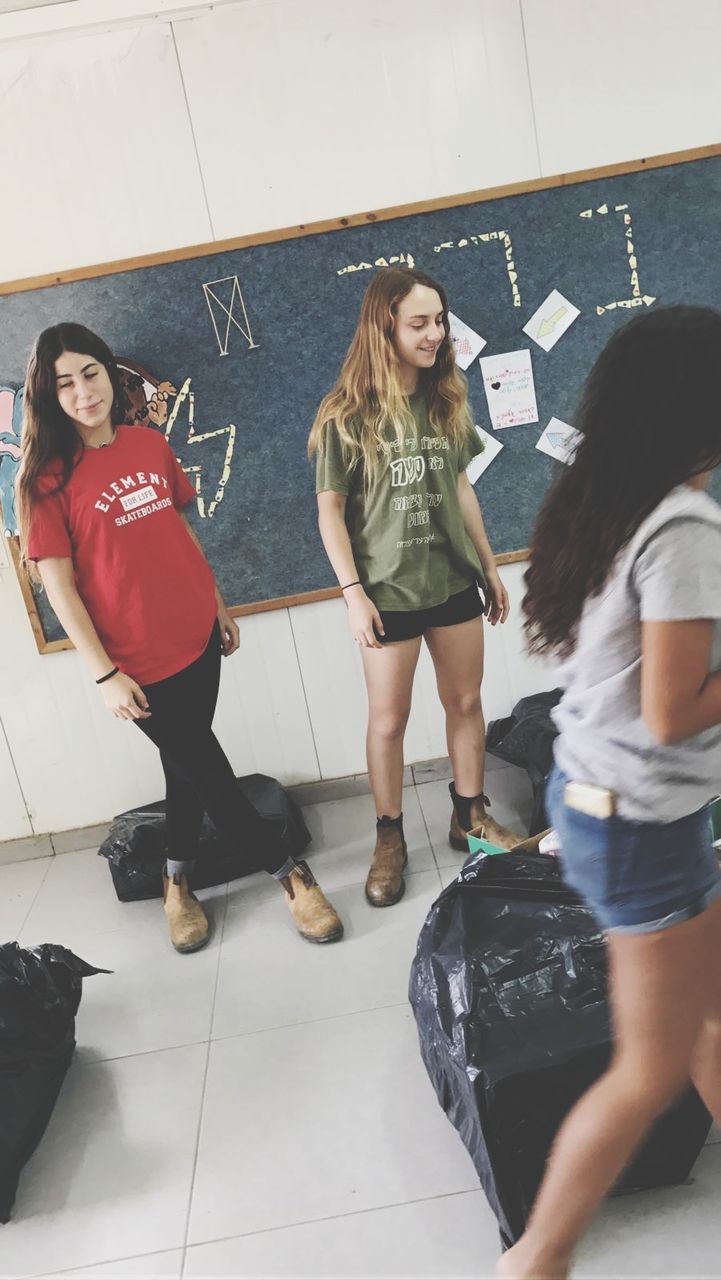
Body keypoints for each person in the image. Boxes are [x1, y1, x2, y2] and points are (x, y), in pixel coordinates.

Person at [504, 304, 721, 1279]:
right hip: (638, 828)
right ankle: (534, 1261)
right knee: (648, 1067)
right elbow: (677, 709)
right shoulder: (681, 523)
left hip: (595, 801)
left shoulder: (607, 497)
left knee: (706, 1012)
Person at [16, 323, 343, 954]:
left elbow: (177, 529)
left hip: (195, 635)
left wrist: (216, 600)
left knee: (185, 764)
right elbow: (58, 588)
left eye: (90, 373)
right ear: (48, 396)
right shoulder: (45, 480)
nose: (84, 392)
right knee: (210, 771)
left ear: (109, 373)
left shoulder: (146, 444)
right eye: (65, 383)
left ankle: (176, 885)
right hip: (136, 664)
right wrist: (104, 673)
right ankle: (292, 877)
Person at [309, 268, 520, 908]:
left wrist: (488, 566)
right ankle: (389, 838)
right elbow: (330, 511)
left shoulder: (444, 398)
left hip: (451, 581)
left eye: (439, 320)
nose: (435, 334)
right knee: (389, 720)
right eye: (419, 323)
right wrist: (352, 592)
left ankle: (470, 816)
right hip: (386, 596)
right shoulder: (346, 415)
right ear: (386, 328)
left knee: (465, 701)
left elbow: (461, 488)